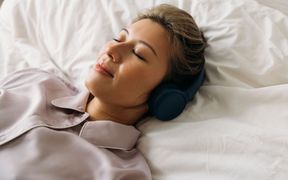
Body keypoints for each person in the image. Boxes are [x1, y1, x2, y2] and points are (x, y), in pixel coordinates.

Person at [0, 4, 206, 180]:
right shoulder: (34, 81)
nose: (112, 51)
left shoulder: (121, 174)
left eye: (138, 54)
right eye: (119, 38)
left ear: (164, 95)